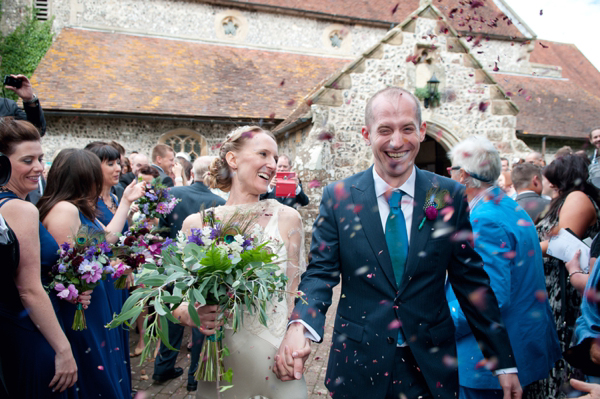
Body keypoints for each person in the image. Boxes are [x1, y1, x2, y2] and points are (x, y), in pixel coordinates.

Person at [274, 87, 522, 399]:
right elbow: (321, 272)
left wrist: (502, 361)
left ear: (422, 131)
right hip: (358, 362)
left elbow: (470, 280)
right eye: (385, 130)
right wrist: (301, 325)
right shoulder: (339, 197)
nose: (396, 142)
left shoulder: (445, 195)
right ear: (367, 134)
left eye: (407, 128)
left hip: (430, 366)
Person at [170, 126, 307, 399]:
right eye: (263, 153)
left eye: (275, 157)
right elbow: (174, 300)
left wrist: (299, 333)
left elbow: (295, 296)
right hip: (220, 364)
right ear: (233, 160)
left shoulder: (288, 218)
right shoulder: (197, 225)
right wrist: (190, 313)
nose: (273, 164)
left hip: (278, 362)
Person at [446, 136, 561, 398]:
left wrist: (437, 328)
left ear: (462, 175)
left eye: (450, 170)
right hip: (518, 343)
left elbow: (488, 298)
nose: (447, 178)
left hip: (485, 358)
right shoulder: (506, 205)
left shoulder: (485, 220)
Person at [37, 148, 145, 399]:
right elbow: (68, 265)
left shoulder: (79, 208)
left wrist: (127, 202)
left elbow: (106, 241)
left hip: (97, 301)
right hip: (83, 307)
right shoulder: (64, 210)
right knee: (93, 370)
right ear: (82, 177)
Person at [0, 118, 78, 398]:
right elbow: (29, 289)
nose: (38, 167)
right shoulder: (19, 210)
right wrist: (63, 348)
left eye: (41, 158)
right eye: (27, 160)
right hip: (29, 330)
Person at [152, 156, 226, 392]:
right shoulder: (219, 202)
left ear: (193, 172)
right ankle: (195, 376)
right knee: (200, 323)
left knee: (173, 317)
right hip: (204, 271)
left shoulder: (172, 193)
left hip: (174, 266)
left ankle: (163, 368)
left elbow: (159, 231)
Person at [530, 154, 600, 398]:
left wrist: (522, 252)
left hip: (565, 288)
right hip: (551, 285)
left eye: (551, 178)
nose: (546, 183)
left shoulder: (577, 198)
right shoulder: (562, 200)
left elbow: (562, 243)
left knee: (561, 353)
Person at [84, 141, 134, 390]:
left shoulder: (115, 197)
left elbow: (123, 238)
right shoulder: (89, 204)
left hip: (120, 277)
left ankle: (122, 383)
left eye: (119, 163)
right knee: (108, 334)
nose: (118, 168)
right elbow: (100, 242)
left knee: (121, 332)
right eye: (111, 163)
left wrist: (130, 261)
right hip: (101, 278)